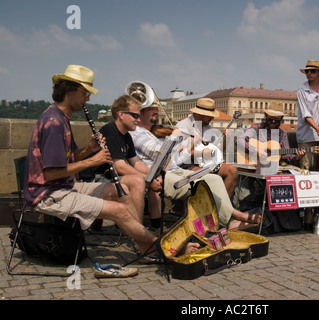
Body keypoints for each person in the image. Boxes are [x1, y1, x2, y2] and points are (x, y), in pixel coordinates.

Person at [23, 65, 162, 265]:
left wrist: (88, 149)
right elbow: (51, 173)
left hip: (64, 186)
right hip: (48, 195)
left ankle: (143, 244)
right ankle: (156, 247)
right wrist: (94, 160)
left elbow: (69, 158)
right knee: (119, 210)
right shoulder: (54, 123)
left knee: (121, 188)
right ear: (70, 90)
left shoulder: (62, 118)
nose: (88, 98)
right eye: (85, 92)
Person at [129, 84, 261, 229]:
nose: (157, 112)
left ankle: (220, 215)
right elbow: (166, 155)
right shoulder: (181, 126)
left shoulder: (206, 128)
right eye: (152, 110)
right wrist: (187, 145)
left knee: (229, 172)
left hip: (184, 165)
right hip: (181, 166)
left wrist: (225, 141)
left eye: (156, 109)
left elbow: (211, 152)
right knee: (206, 178)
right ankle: (232, 217)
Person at [97, 94, 163, 230]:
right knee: (138, 182)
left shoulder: (126, 135)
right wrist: (147, 180)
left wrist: (153, 176)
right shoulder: (110, 131)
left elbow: (136, 163)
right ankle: (138, 232)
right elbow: (120, 166)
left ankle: (140, 229)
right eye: (135, 116)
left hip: (114, 177)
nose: (138, 120)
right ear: (121, 114)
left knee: (147, 179)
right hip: (99, 178)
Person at [174, 98, 239, 198]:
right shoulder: (183, 126)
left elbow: (217, 151)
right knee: (208, 176)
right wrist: (202, 153)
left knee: (233, 170)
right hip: (186, 164)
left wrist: (226, 139)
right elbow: (180, 153)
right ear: (200, 114)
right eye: (210, 116)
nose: (212, 118)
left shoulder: (208, 127)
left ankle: (221, 207)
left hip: (206, 164)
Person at [237, 104, 306, 166]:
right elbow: (239, 140)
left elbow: (287, 157)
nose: (273, 122)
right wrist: (255, 150)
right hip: (253, 166)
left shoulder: (282, 134)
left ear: (281, 119)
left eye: (276, 120)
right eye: (271, 119)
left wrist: (297, 157)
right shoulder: (257, 128)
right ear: (266, 116)